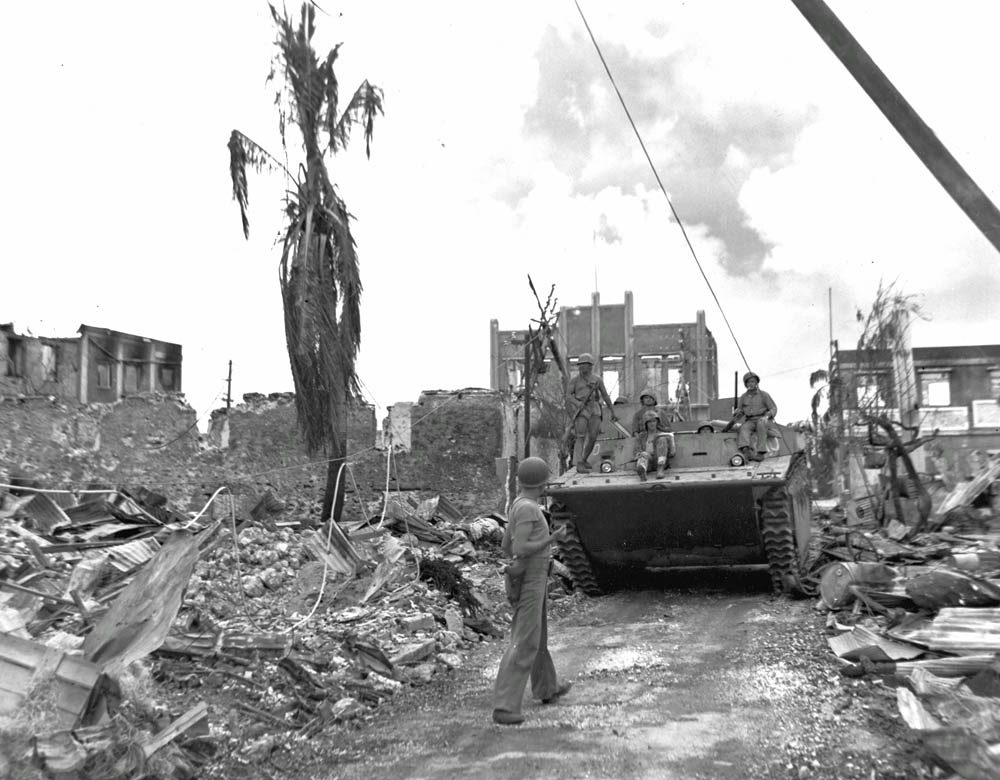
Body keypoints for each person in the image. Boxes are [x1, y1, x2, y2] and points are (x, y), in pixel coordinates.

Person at [492, 456, 573, 725]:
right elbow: (518, 549)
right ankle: (505, 706)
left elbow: (506, 545)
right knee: (525, 639)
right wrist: (553, 538)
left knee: (537, 635)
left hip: (532, 575)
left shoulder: (518, 505)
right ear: (542, 483)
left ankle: (547, 687)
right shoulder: (529, 509)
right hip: (531, 576)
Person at [565, 353, 617, 473]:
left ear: (590, 366)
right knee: (580, 436)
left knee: (593, 436)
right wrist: (577, 404)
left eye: (584, 365)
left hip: (594, 409)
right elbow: (568, 396)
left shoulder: (597, 380)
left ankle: (584, 459)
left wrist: (612, 411)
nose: (581, 368)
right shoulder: (575, 380)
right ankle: (578, 463)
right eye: (580, 365)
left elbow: (604, 395)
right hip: (582, 410)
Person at [723, 372, 778, 462]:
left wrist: (767, 416)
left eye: (753, 382)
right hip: (750, 420)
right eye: (748, 382)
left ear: (756, 383)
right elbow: (740, 411)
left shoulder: (764, 395)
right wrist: (737, 413)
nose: (751, 384)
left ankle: (761, 453)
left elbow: (773, 408)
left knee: (761, 424)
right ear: (745, 384)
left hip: (762, 418)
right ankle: (746, 451)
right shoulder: (743, 397)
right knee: (744, 428)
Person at [630, 388, 676, 480]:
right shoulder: (638, 415)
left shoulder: (661, 413)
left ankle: (660, 470)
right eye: (646, 397)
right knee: (643, 456)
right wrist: (641, 453)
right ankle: (642, 470)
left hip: (659, 457)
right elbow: (635, 432)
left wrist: (660, 429)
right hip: (647, 458)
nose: (648, 399)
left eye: (650, 397)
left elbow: (669, 430)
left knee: (661, 440)